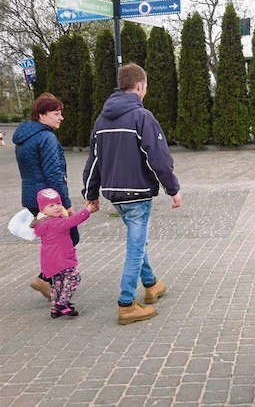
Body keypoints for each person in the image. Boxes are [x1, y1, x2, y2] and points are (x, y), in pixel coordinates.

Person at [82, 63, 182, 325]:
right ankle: (126, 304)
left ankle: (151, 285)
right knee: (135, 247)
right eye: (145, 86)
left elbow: (93, 161)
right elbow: (158, 158)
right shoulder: (142, 117)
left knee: (137, 241)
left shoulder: (102, 120)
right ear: (139, 86)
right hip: (137, 194)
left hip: (114, 194)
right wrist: (173, 189)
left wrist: (90, 193)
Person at [12, 93, 80, 300]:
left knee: (52, 240)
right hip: (49, 200)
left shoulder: (24, 138)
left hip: (32, 197)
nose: (61, 118)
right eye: (56, 113)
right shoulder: (46, 137)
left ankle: (49, 281)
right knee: (69, 236)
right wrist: (65, 205)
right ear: (42, 115)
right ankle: (46, 280)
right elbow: (54, 174)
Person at [31, 188, 97, 318]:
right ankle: (63, 303)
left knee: (57, 283)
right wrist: (87, 211)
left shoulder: (43, 223)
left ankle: (56, 307)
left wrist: (65, 213)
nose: (56, 208)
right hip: (61, 259)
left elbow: (65, 220)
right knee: (74, 277)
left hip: (49, 260)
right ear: (43, 210)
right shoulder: (55, 223)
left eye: (58, 204)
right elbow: (73, 221)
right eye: (51, 205)